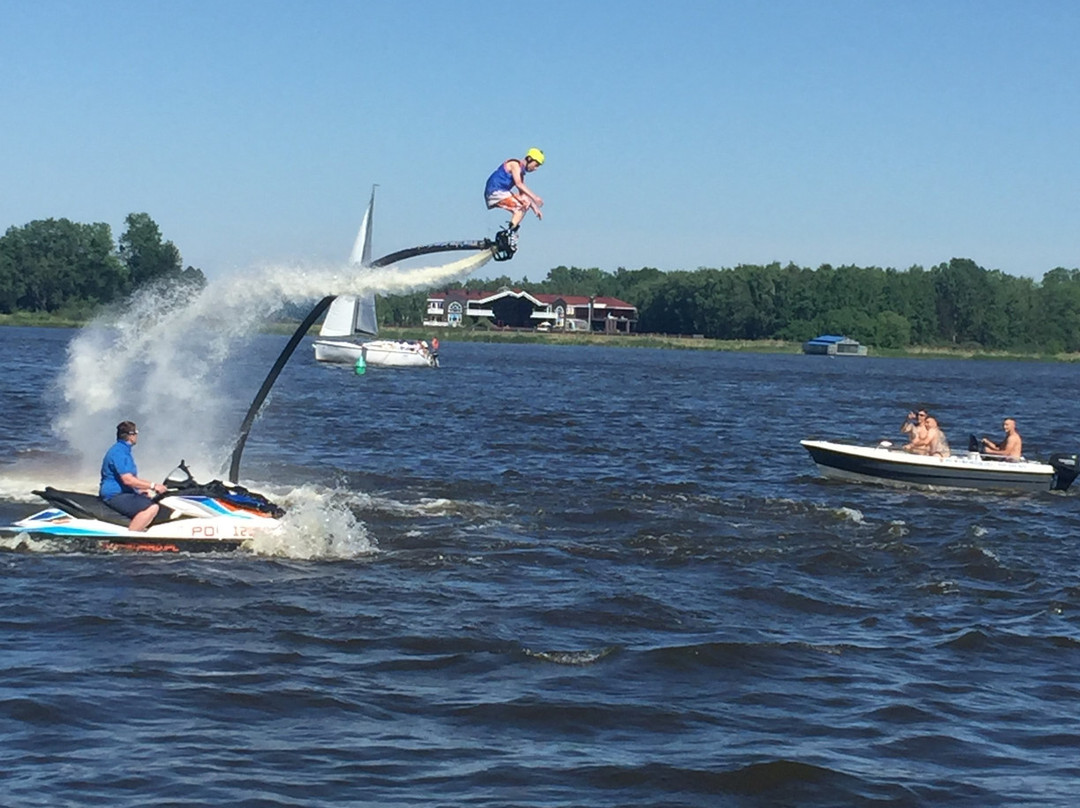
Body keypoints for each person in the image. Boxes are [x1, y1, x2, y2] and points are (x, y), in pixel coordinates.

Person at [99, 420, 167, 531]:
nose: (137, 436)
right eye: (136, 433)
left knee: (149, 499)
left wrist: (139, 491)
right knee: (152, 507)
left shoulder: (123, 450)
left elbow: (128, 480)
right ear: (131, 436)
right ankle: (129, 540)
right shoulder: (119, 452)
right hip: (114, 495)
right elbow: (127, 480)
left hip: (124, 493)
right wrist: (154, 486)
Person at [484, 148, 545, 248]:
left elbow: (523, 195)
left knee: (524, 203)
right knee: (520, 208)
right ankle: (509, 234)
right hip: (495, 192)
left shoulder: (521, 173)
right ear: (529, 159)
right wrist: (535, 197)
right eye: (536, 164)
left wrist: (535, 208)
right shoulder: (514, 164)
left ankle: (510, 233)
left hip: (501, 192)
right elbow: (519, 184)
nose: (535, 168)